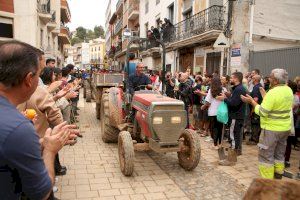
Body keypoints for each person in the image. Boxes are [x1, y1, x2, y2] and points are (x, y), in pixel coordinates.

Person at [0, 40, 75, 199]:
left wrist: (40, 142)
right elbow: (43, 193)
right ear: (29, 79)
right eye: (38, 74)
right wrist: (49, 150)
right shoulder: (19, 128)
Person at [241, 68, 293, 179]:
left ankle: (268, 182)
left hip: (271, 129)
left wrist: (252, 102)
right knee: (279, 154)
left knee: (266, 156)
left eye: (271, 77)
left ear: (276, 81)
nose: (268, 78)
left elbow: (263, 112)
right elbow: (278, 105)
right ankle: (278, 175)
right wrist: (265, 96)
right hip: (284, 128)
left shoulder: (273, 92)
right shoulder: (288, 90)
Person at [217, 72, 247, 165]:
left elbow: (234, 104)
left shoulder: (239, 89)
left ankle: (231, 160)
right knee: (234, 136)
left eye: (232, 78)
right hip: (236, 116)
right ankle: (232, 156)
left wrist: (224, 99)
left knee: (233, 136)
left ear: (236, 79)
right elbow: (235, 100)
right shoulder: (238, 88)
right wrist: (228, 96)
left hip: (236, 116)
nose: (230, 80)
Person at [201, 78, 227, 149]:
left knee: (214, 128)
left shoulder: (211, 90)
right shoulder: (224, 89)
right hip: (221, 112)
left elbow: (207, 102)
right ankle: (220, 144)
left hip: (213, 112)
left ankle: (215, 144)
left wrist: (203, 106)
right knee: (220, 128)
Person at [247, 75, 263, 145]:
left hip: (256, 109)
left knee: (255, 124)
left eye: (252, 78)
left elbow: (255, 99)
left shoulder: (256, 88)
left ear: (255, 80)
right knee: (256, 124)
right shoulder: (260, 86)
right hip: (259, 108)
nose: (251, 80)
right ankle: (255, 138)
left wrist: (252, 110)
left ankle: (254, 139)